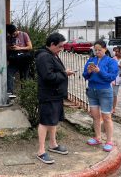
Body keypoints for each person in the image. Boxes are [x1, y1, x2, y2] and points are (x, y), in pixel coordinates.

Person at [35, 33, 75, 164]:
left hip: (55, 94)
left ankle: (53, 144)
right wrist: (64, 74)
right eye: (60, 46)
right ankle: (41, 151)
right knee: (45, 121)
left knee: (53, 120)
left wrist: (64, 73)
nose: (61, 49)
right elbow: (48, 76)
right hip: (48, 95)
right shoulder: (44, 56)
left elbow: (54, 73)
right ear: (52, 44)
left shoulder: (52, 54)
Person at [82, 40, 118, 152]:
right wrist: (88, 72)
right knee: (95, 116)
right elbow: (85, 75)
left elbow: (111, 77)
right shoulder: (91, 60)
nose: (97, 52)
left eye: (99, 50)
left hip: (105, 91)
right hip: (92, 90)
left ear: (105, 49)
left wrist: (99, 71)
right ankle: (98, 137)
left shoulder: (111, 61)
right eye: (95, 50)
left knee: (106, 117)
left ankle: (109, 141)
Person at [6, 24, 32, 96]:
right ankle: (10, 92)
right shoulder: (9, 37)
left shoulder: (24, 34)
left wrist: (19, 48)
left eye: (14, 33)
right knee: (9, 73)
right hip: (14, 60)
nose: (13, 35)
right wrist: (10, 48)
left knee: (24, 78)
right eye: (11, 34)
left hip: (24, 60)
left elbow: (30, 47)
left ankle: (25, 95)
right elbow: (7, 47)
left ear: (16, 30)